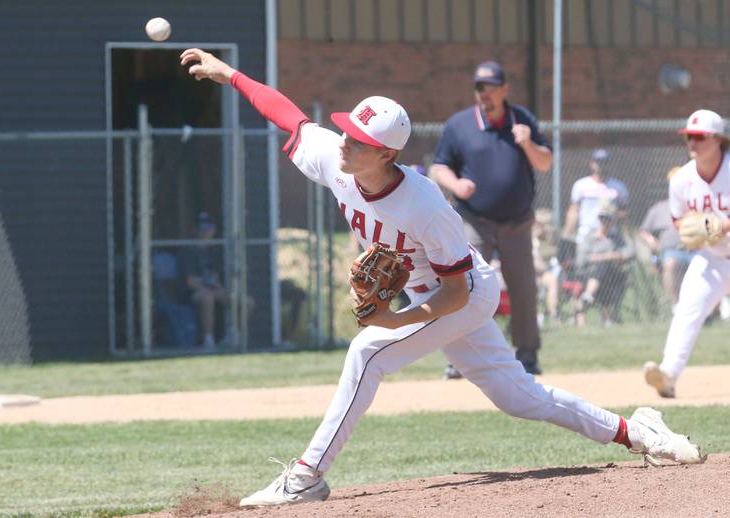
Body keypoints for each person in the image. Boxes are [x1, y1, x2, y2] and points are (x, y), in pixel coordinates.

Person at [179, 47, 704, 508]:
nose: (344, 143)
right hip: (439, 293)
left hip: (466, 294)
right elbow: (289, 118)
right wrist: (230, 75)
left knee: (367, 353)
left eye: (358, 139)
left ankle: (306, 476)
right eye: (347, 131)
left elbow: (454, 290)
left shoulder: (424, 204)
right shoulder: (337, 160)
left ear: (386, 154)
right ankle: (639, 433)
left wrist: (396, 316)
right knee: (519, 398)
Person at [430, 60, 552, 376]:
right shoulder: (459, 125)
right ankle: (459, 358)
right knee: (465, 286)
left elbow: (545, 163)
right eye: (479, 87)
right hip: (474, 220)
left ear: (504, 89)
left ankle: (527, 355)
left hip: (517, 221)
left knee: (524, 288)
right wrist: (456, 184)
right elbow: (438, 167)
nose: (483, 93)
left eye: (490, 87)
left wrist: (527, 142)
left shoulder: (522, 119)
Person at [644, 109, 730, 398]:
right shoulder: (681, 179)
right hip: (713, 259)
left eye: (699, 137)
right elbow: (680, 221)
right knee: (687, 312)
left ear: (718, 139)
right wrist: (694, 229)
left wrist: (723, 224)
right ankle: (667, 375)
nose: (692, 143)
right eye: (688, 137)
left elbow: (717, 224)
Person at [181, 211, 255, 352]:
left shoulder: (214, 250)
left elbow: (216, 278)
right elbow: (190, 282)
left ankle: (232, 337)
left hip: (213, 289)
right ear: (195, 230)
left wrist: (222, 292)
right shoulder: (188, 250)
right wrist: (211, 290)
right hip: (194, 293)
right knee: (207, 298)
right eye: (201, 228)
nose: (205, 232)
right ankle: (209, 341)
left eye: (208, 228)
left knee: (247, 302)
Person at [638, 166, 693, 312]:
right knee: (671, 265)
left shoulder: (694, 205)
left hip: (695, 250)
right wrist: (651, 241)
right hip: (671, 251)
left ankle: (713, 308)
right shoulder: (659, 208)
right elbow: (643, 231)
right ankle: (676, 306)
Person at [573, 201, 634, 327]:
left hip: (613, 274)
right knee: (603, 266)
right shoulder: (590, 237)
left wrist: (613, 256)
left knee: (606, 269)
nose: (606, 222)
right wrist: (607, 256)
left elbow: (630, 253)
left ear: (613, 221)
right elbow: (581, 259)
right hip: (588, 273)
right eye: (603, 218)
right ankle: (604, 315)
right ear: (599, 220)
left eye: (609, 219)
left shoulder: (617, 238)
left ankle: (589, 295)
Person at [562, 149, 630, 246]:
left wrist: (614, 223)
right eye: (598, 162)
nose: (602, 165)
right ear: (592, 163)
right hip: (586, 234)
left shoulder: (619, 187)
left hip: (610, 235)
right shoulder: (581, 185)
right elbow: (574, 211)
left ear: (610, 164)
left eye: (605, 162)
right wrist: (566, 234)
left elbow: (623, 213)